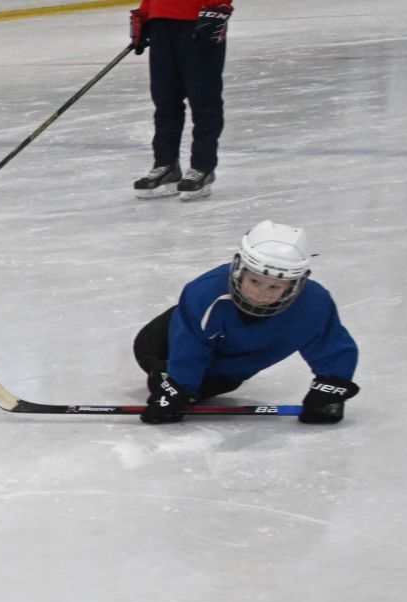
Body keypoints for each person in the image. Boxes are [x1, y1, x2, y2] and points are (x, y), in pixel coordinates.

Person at [136, 222, 359, 425]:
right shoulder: (205, 293)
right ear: (239, 270)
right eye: (254, 281)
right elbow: (189, 345)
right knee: (153, 354)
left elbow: (331, 346)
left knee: (210, 386)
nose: (260, 294)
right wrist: (177, 388)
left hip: (230, 368)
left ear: (294, 285)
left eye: (274, 287)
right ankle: (165, 373)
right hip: (170, 340)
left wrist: (330, 389)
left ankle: (176, 378)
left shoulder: (314, 304)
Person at [128, 1, 232, 200]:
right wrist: (144, 13)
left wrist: (217, 7)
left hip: (199, 21)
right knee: (165, 99)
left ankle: (203, 167)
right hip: (161, 24)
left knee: (204, 99)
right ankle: (166, 165)